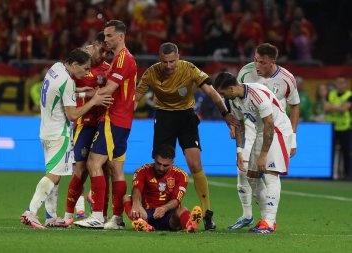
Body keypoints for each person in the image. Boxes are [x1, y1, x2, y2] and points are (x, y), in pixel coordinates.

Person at [135, 42, 239, 230]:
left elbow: (212, 93)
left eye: (172, 61)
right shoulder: (151, 73)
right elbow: (134, 98)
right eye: (165, 62)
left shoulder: (189, 69)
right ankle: (157, 210)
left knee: (195, 164)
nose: (168, 66)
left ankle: (207, 214)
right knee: (160, 166)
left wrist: (225, 114)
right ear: (160, 59)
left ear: (178, 57)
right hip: (164, 117)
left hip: (186, 117)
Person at [20, 48, 113, 229]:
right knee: (54, 176)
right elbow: (72, 115)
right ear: (75, 64)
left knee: (56, 174)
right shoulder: (68, 82)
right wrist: (93, 101)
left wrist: (81, 92)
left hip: (45, 131)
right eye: (85, 69)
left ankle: (51, 217)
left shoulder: (55, 69)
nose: (87, 73)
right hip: (58, 134)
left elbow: (59, 92)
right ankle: (30, 212)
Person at [228, 43, 300, 230]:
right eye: (255, 60)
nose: (256, 65)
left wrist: (293, 137)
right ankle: (248, 215)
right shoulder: (245, 72)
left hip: (274, 128)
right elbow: (236, 96)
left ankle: (269, 219)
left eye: (261, 62)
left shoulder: (287, 79)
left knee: (270, 172)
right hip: (251, 126)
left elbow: (294, 106)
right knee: (244, 169)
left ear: (272, 62)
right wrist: (236, 125)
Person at [74, 20, 137, 229]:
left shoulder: (122, 59)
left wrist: (85, 97)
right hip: (123, 120)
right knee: (115, 168)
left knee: (93, 163)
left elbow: (108, 89)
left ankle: (98, 215)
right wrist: (82, 93)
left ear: (120, 36)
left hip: (114, 118)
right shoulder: (120, 59)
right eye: (105, 36)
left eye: (109, 36)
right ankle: (117, 219)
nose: (107, 40)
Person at [215, 72, 293, 233]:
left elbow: (270, 125)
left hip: (277, 131)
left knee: (271, 173)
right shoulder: (235, 100)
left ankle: (270, 222)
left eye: (223, 93)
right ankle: (265, 220)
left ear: (231, 88)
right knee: (252, 176)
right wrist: (239, 152)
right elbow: (239, 126)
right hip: (260, 132)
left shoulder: (257, 94)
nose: (222, 96)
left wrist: (263, 156)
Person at [62, 31, 112, 222]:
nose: (104, 56)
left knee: (104, 169)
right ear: (94, 44)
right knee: (80, 170)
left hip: (103, 123)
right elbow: (65, 91)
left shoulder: (108, 68)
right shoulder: (79, 63)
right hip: (83, 123)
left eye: (108, 53)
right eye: (102, 50)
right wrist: (87, 94)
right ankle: (68, 215)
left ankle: (102, 215)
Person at [123, 144, 203, 233]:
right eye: (158, 163)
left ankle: (190, 225)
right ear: (154, 158)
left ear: (172, 162)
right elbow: (136, 190)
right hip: (147, 215)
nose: (161, 168)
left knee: (182, 210)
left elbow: (176, 200)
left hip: (169, 216)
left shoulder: (181, 175)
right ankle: (142, 223)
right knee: (127, 198)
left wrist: (164, 208)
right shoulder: (142, 171)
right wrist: (136, 203)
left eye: (165, 165)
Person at [325, 77, 352, 179]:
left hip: (345, 127)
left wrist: (333, 107)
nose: (340, 84)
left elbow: (344, 109)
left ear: (346, 84)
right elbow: (326, 108)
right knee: (330, 152)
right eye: (338, 82)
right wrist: (339, 107)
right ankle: (330, 174)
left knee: (347, 152)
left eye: (342, 82)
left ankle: (348, 174)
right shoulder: (330, 94)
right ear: (336, 84)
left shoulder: (349, 95)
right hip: (331, 128)